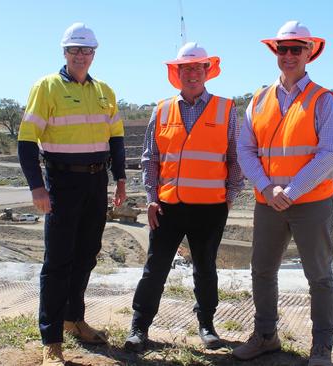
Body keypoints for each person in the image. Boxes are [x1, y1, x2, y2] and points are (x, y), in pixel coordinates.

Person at [17, 22, 126, 366]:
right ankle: (51, 340)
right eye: (75, 50)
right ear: (64, 52)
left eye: (87, 50)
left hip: (96, 184)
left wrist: (120, 180)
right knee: (58, 262)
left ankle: (74, 319)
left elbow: (117, 140)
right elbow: (26, 141)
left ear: (94, 54)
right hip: (61, 185)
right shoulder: (46, 87)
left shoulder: (105, 91)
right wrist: (37, 187)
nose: (81, 55)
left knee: (86, 255)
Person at [233, 21, 333, 366]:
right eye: (284, 49)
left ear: (310, 53)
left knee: (319, 276)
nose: (290, 55)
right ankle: (266, 336)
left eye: (297, 49)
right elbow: (245, 150)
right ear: (275, 53)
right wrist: (267, 187)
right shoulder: (259, 100)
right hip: (268, 202)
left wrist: (291, 191)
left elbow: (328, 154)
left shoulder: (322, 100)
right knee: (262, 271)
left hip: (311, 203)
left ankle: (321, 346)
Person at [123, 42, 244, 352]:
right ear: (177, 73)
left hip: (210, 207)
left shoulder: (226, 109)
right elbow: (151, 158)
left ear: (207, 71)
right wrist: (151, 197)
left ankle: (206, 324)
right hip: (168, 206)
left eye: (197, 68)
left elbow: (235, 158)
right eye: (185, 68)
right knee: (156, 267)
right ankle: (139, 327)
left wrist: (229, 197)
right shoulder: (161, 110)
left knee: (205, 268)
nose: (192, 74)